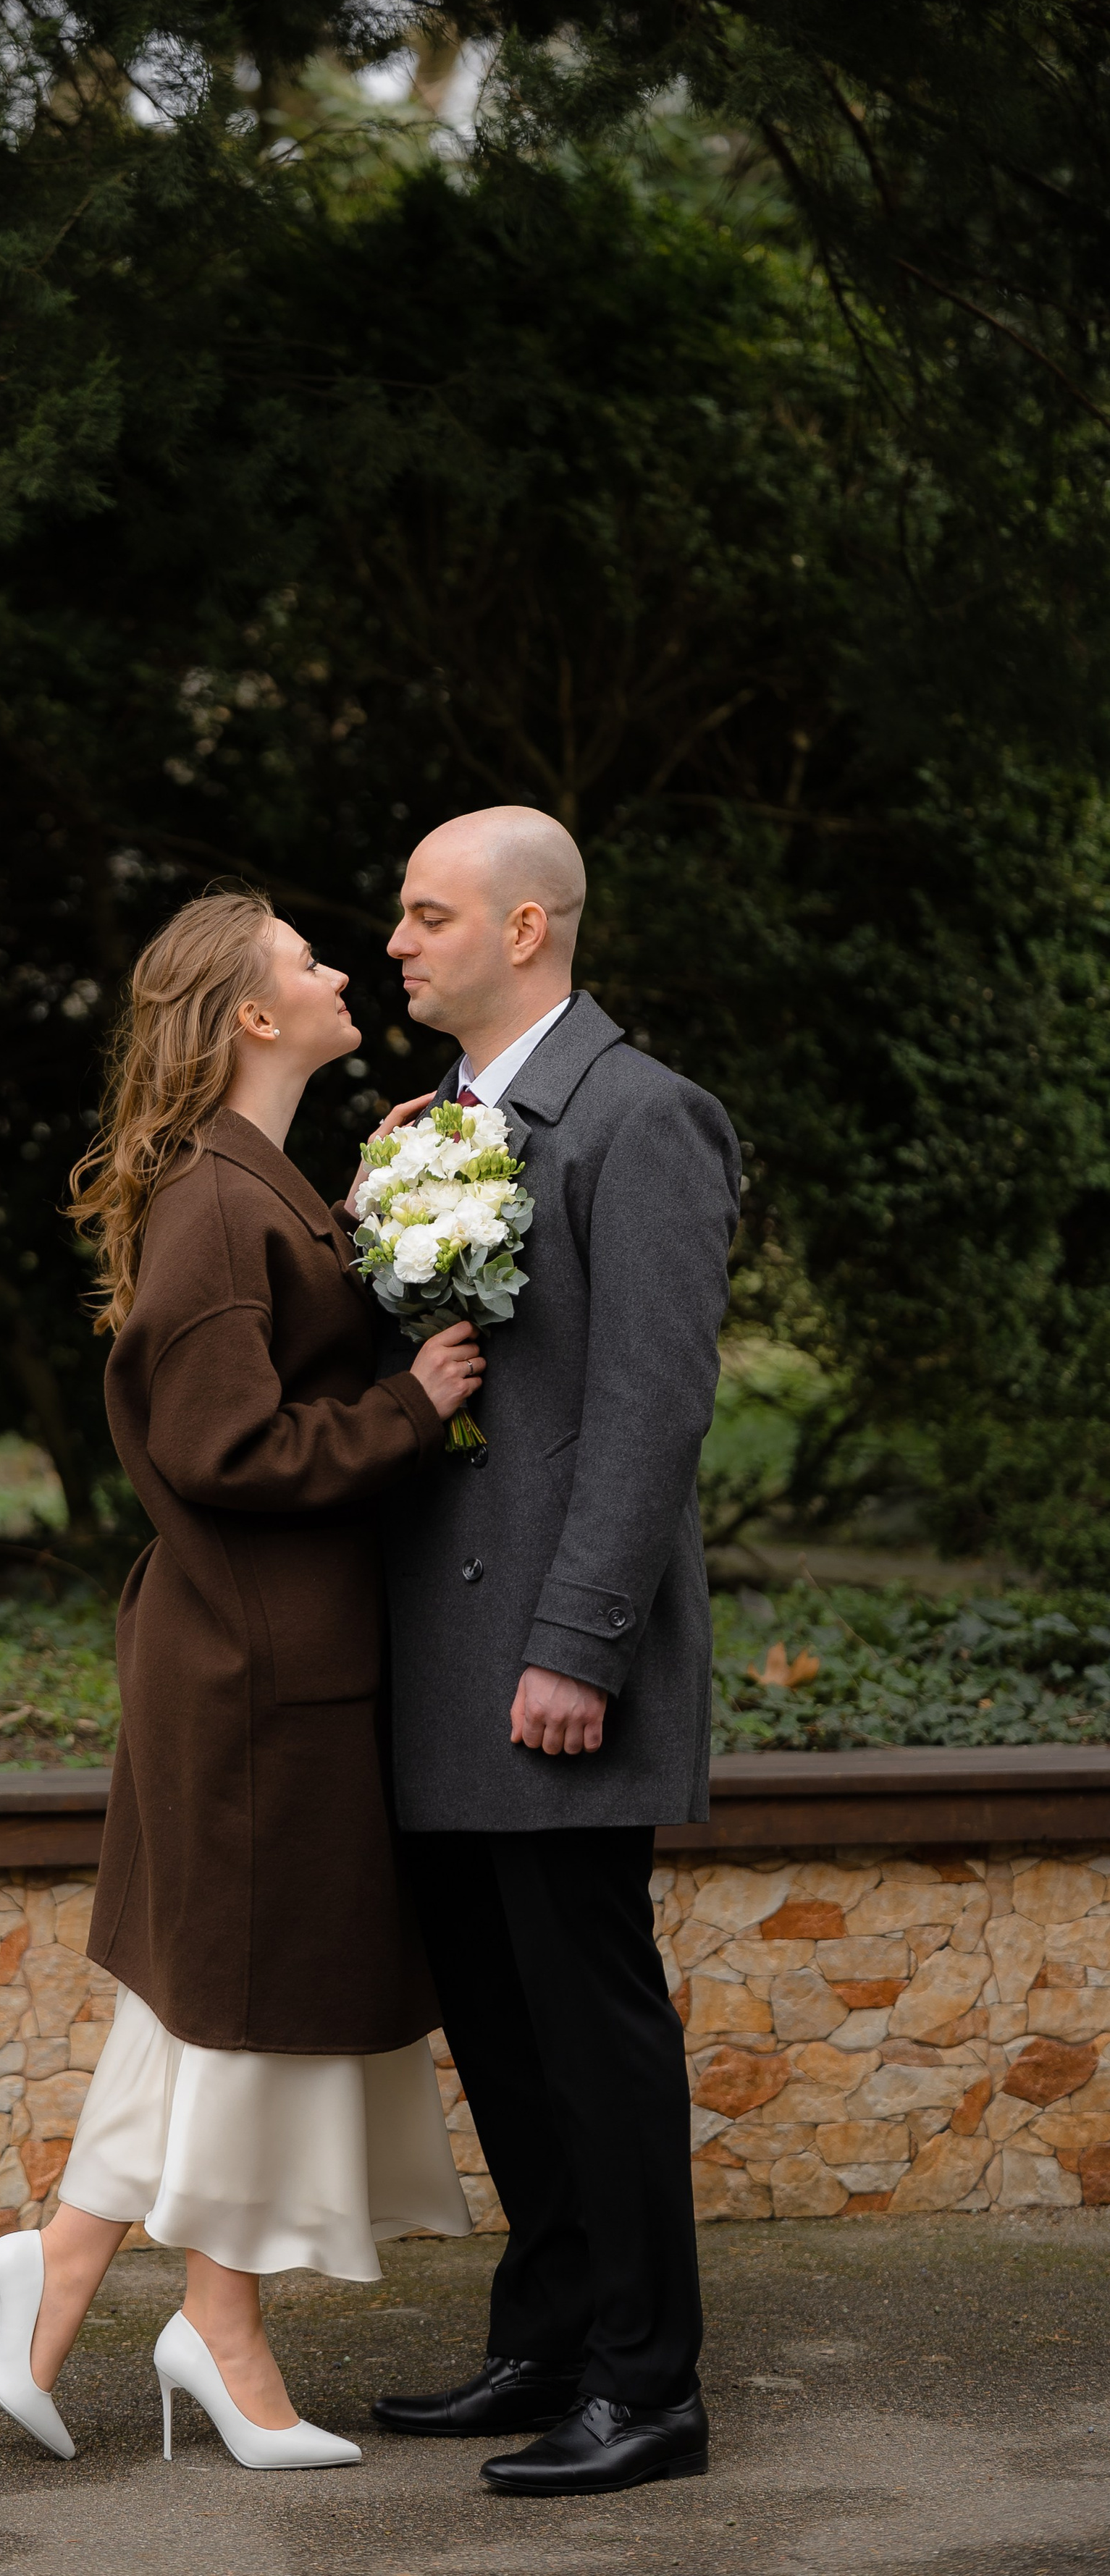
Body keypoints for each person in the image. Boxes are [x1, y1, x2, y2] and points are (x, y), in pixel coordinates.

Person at [0, 884, 479, 2466]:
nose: (339, 968)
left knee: (210, 1997)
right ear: (249, 1014)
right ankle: (219, 2328)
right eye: (307, 960)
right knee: (250, 2001)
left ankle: (67, 2270)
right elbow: (220, 1441)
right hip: (250, 1656)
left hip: (263, 1645)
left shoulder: (257, 1183)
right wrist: (410, 1402)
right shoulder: (212, 1201)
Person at [361, 807, 739, 2499]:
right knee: (499, 2021)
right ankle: (550, 2335)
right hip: (436, 1658)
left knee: (586, 2018)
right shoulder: (434, 1122)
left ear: (527, 929)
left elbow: (647, 1409)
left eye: (427, 913)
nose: (395, 938)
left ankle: (649, 2383)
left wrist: (577, 1643)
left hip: (549, 1663)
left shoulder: (639, 1116)